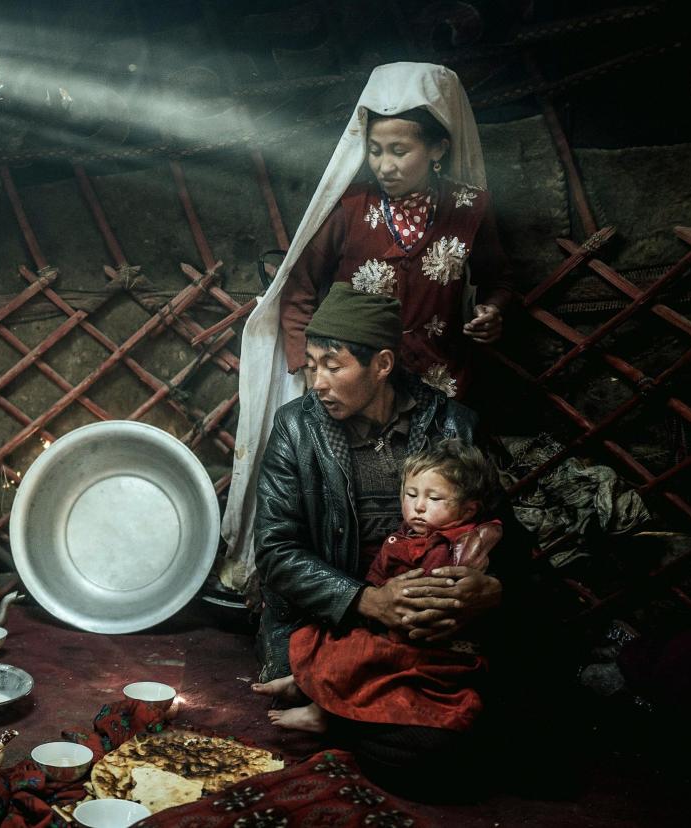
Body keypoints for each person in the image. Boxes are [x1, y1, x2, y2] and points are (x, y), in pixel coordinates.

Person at [220, 62, 514, 602]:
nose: (385, 164)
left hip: (438, 383)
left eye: (400, 150)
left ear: (438, 149)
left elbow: (497, 280)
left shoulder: (469, 210)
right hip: (356, 384)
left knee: (434, 508)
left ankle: (423, 600)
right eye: (376, 150)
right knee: (344, 501)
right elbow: (299, 291)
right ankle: (355, 601)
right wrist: (313, 370)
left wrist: (491, 311)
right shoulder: (349, 209)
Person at [247, 283, 525, 791]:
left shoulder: (453, 426)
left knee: (528, 710)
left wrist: (490, 589)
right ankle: (369, 720)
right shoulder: (295, 429)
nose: (319, 383)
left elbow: (506, 536)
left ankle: (346, 720)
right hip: (335, 618)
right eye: (311, 365)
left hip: (432, 619)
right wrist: (369, 600)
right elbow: (275, 551)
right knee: (437, 750)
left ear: (381, 365)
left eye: (334, 366)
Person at [261, 439, 504, 736]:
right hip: (383, 619)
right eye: (411, 494)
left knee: (357, 654)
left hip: (421, 639)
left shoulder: (451, 549)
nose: (418, 506)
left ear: (468, 510)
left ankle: (321, 712)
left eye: (435, 499)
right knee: (328, 637)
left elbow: (428, 601)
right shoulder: (411, 535)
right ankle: (303, 683)